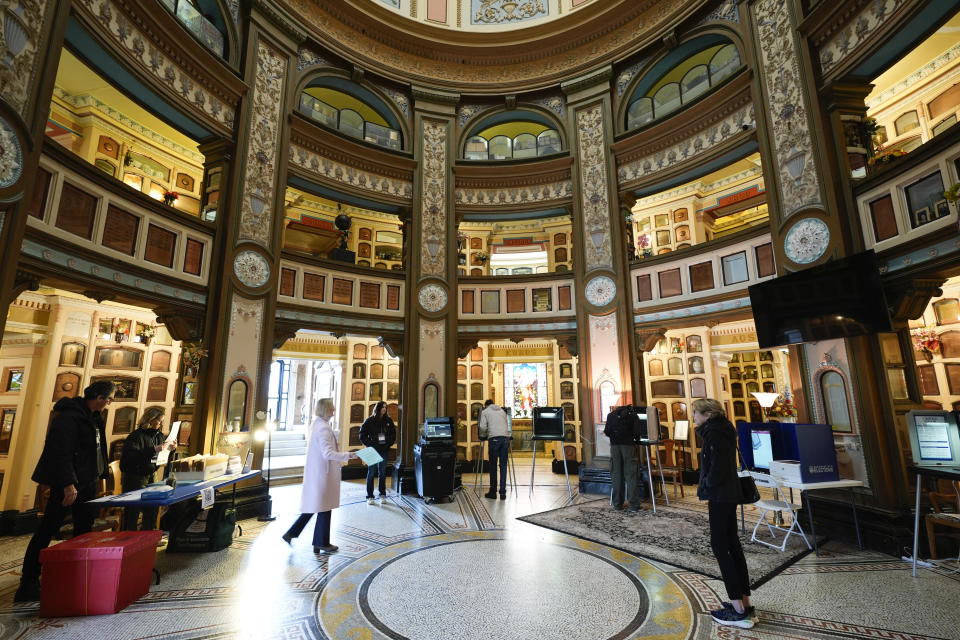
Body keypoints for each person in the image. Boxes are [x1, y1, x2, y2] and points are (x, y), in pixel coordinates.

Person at [14, 381, 114, 603]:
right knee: (48, 528)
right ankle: (28, 581)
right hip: (67, 484)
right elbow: (60, 452)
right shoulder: (69, 416)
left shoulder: (94, 417)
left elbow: (96, 449)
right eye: (109, 399)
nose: (109, 403)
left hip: (87, 482)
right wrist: (68, 484)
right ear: (99, 397)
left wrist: (100, 476)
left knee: (84, 529)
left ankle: (76, 572)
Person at [692, 397, 757, 629]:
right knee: (732, 544)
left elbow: (717, 467)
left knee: (720, 546)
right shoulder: (724, 429)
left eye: (696, 413)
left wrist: (708, 485)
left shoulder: (714, 433)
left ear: (707, 415)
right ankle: (745, 603)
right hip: (729, 492)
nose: (694, 417)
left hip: (720, 494)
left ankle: (738, 610)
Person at [282, 398, 357, 554]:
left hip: (318, 472)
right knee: (324, 507)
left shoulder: (318, 424)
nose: (334, 409)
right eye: (332, 407)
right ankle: (321, 542)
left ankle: (293, 534)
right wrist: (348, 455)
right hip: (323, 473)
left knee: (316, 505)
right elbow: (327, 453)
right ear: (325, 409)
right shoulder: (323, 427)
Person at [120, 407, 176, 530]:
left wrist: (171, 450)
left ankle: (148, 538)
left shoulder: (159, 435)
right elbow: (130, 457)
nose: (161, 424)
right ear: (150, 420)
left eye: (162, 421)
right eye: (159, 421)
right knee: (133, 511)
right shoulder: (136, 436)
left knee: (152, 507)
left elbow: (162, 457)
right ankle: (128, 540)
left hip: (152, 473)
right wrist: (154, 449)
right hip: (135, 476)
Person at [603, 405, 642, 512]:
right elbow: (637, 433)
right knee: (631, 475)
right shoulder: (633, 416)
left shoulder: (610, 415)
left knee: (616, 474)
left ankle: (617, 504)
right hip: (629, 447)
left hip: (615, 447)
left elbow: (607, 431)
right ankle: (633, 505)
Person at [359, 401, 396, 504]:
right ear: (378, 408)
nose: (384, 409)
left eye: (385, 407)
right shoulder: (369, 420)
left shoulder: (388, 421)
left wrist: (387, 444)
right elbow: (362, 434)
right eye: (382, 407)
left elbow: (393, 435)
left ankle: (382, 494)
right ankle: (369, 496)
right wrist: (370, 444)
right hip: (372, 450)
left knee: (382, 473)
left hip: (384, 450)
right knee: (371, 473)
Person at [478, 399, 510, 499]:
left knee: (493, 466)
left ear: (486, 405)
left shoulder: (485, 411)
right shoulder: (502, 411)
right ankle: (503, 492)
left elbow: (482, 427)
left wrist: (485, 434)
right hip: (505, 439)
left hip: (494, 439)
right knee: (503, 466)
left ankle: (493, 492)